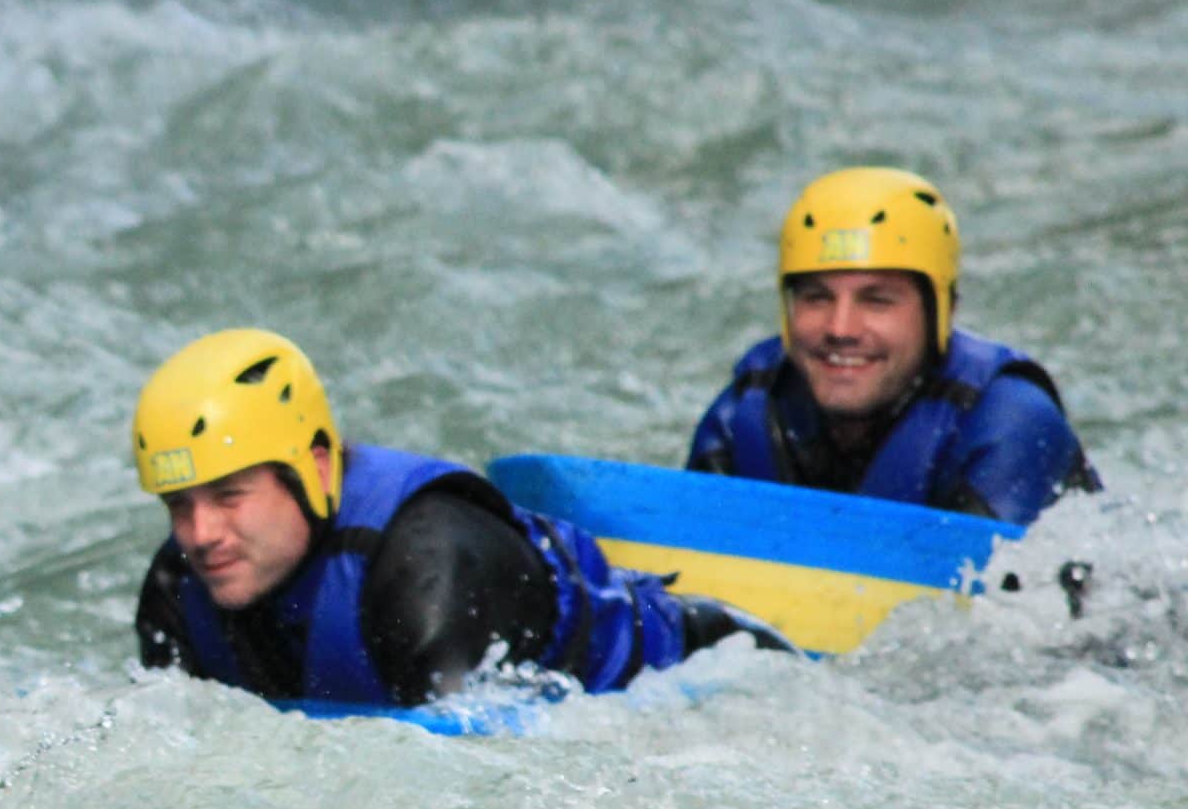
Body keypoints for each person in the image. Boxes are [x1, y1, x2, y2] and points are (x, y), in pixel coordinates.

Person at [132, 329, 771, 707]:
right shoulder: (178, 590)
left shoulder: (426, 566)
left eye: (229, 496)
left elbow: (466, 804)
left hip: (710, 675)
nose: (201, 534)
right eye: (179, 505)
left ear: (316, 469)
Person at [687, 167, 1098, 524]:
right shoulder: (744, 417)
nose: (840, 327)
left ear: (944, 310)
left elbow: (994, 611)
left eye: (876, 300)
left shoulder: (1010, 425)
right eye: (816, 297)